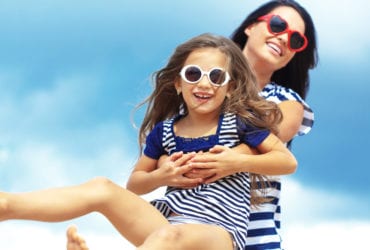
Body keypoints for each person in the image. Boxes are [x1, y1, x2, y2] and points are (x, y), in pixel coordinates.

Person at [0, 33, 297, 250]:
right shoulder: (165, 131)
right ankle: (7, 205)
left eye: (216, 77)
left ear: (229, 87)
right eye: (194, 74)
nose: (204, 83)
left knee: (172, 237)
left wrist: (238, 161)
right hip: (165, 223)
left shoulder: (238, 125)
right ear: (178, 84)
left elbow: (286, 161)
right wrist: (161, 176)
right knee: (102, 188)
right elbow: (135, 184)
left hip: (218, 235)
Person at [65, 0, 318, 249]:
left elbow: (263, 145)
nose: (284, 38)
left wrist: (198, 160)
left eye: (296, 39)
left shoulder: (287, 102)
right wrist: (166, 165)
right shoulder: (200, 87)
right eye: (277, 25)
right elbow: (168, 149)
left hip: (254, 236)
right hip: (189, 225)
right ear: (251, 27)